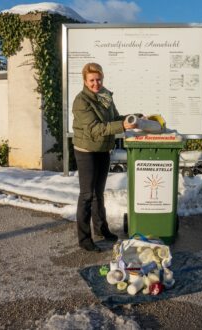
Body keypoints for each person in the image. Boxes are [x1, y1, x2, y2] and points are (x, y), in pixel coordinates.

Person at [72, 62, 136, 252]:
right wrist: (122, 126)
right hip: (86, 151)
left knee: (98, 194)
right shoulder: (81, 101)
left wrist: (133, 118)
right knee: (87, 195)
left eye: (98, 79)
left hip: (102, 149)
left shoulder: (105, 96)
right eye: (91, 80)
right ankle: (84, 239)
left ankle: (101, 230)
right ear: (85, 80)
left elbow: (114, 119)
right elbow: (94, 129)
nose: (96, 83)